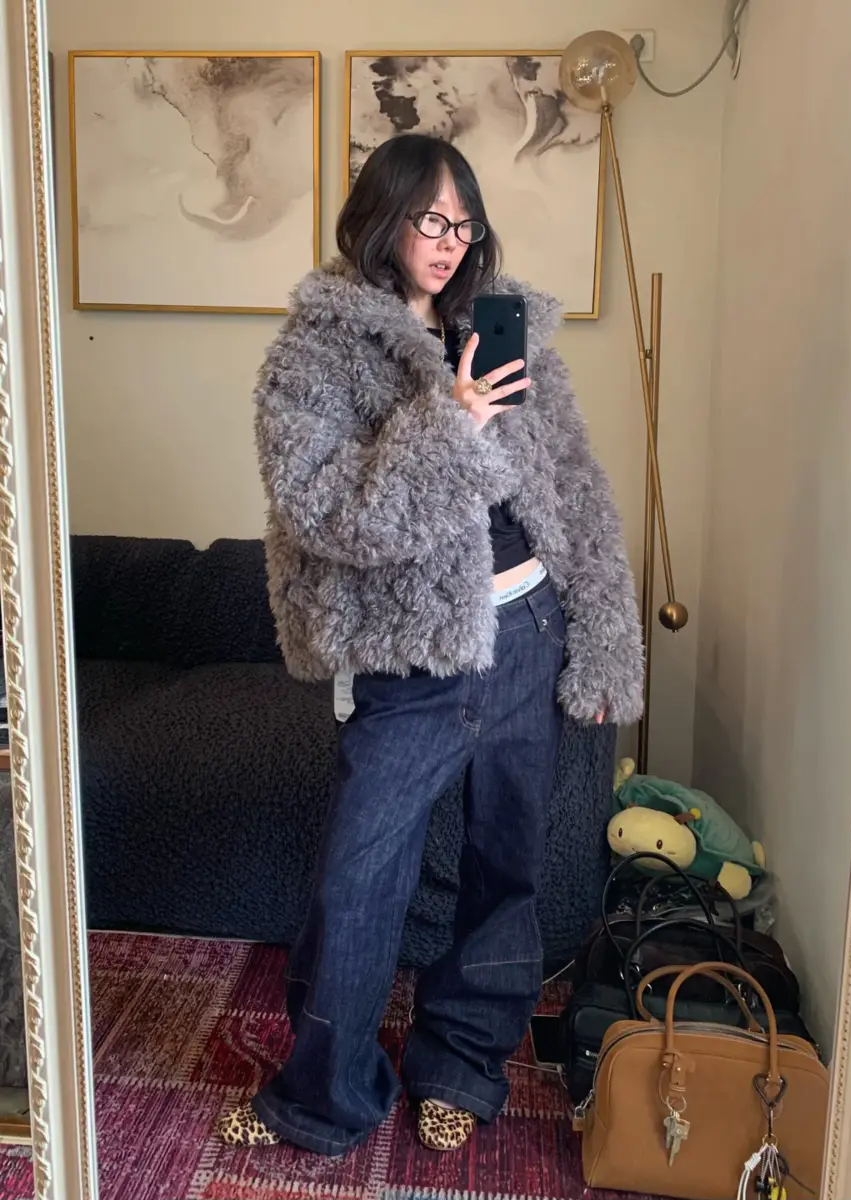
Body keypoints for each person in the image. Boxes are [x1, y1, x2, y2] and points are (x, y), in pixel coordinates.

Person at [218, 132, 643, 1157]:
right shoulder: (317, 352)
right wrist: (450, 421)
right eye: (429, 218)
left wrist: (606, 639)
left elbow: (574, 490)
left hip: (529, 634)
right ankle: (327, 1097)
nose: (450, 241)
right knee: (357, 879)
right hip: (411, 657)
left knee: (507, 869)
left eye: (465, 221)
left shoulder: (500, 328)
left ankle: (462, 1064)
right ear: (382, 217)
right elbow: (329, 514)